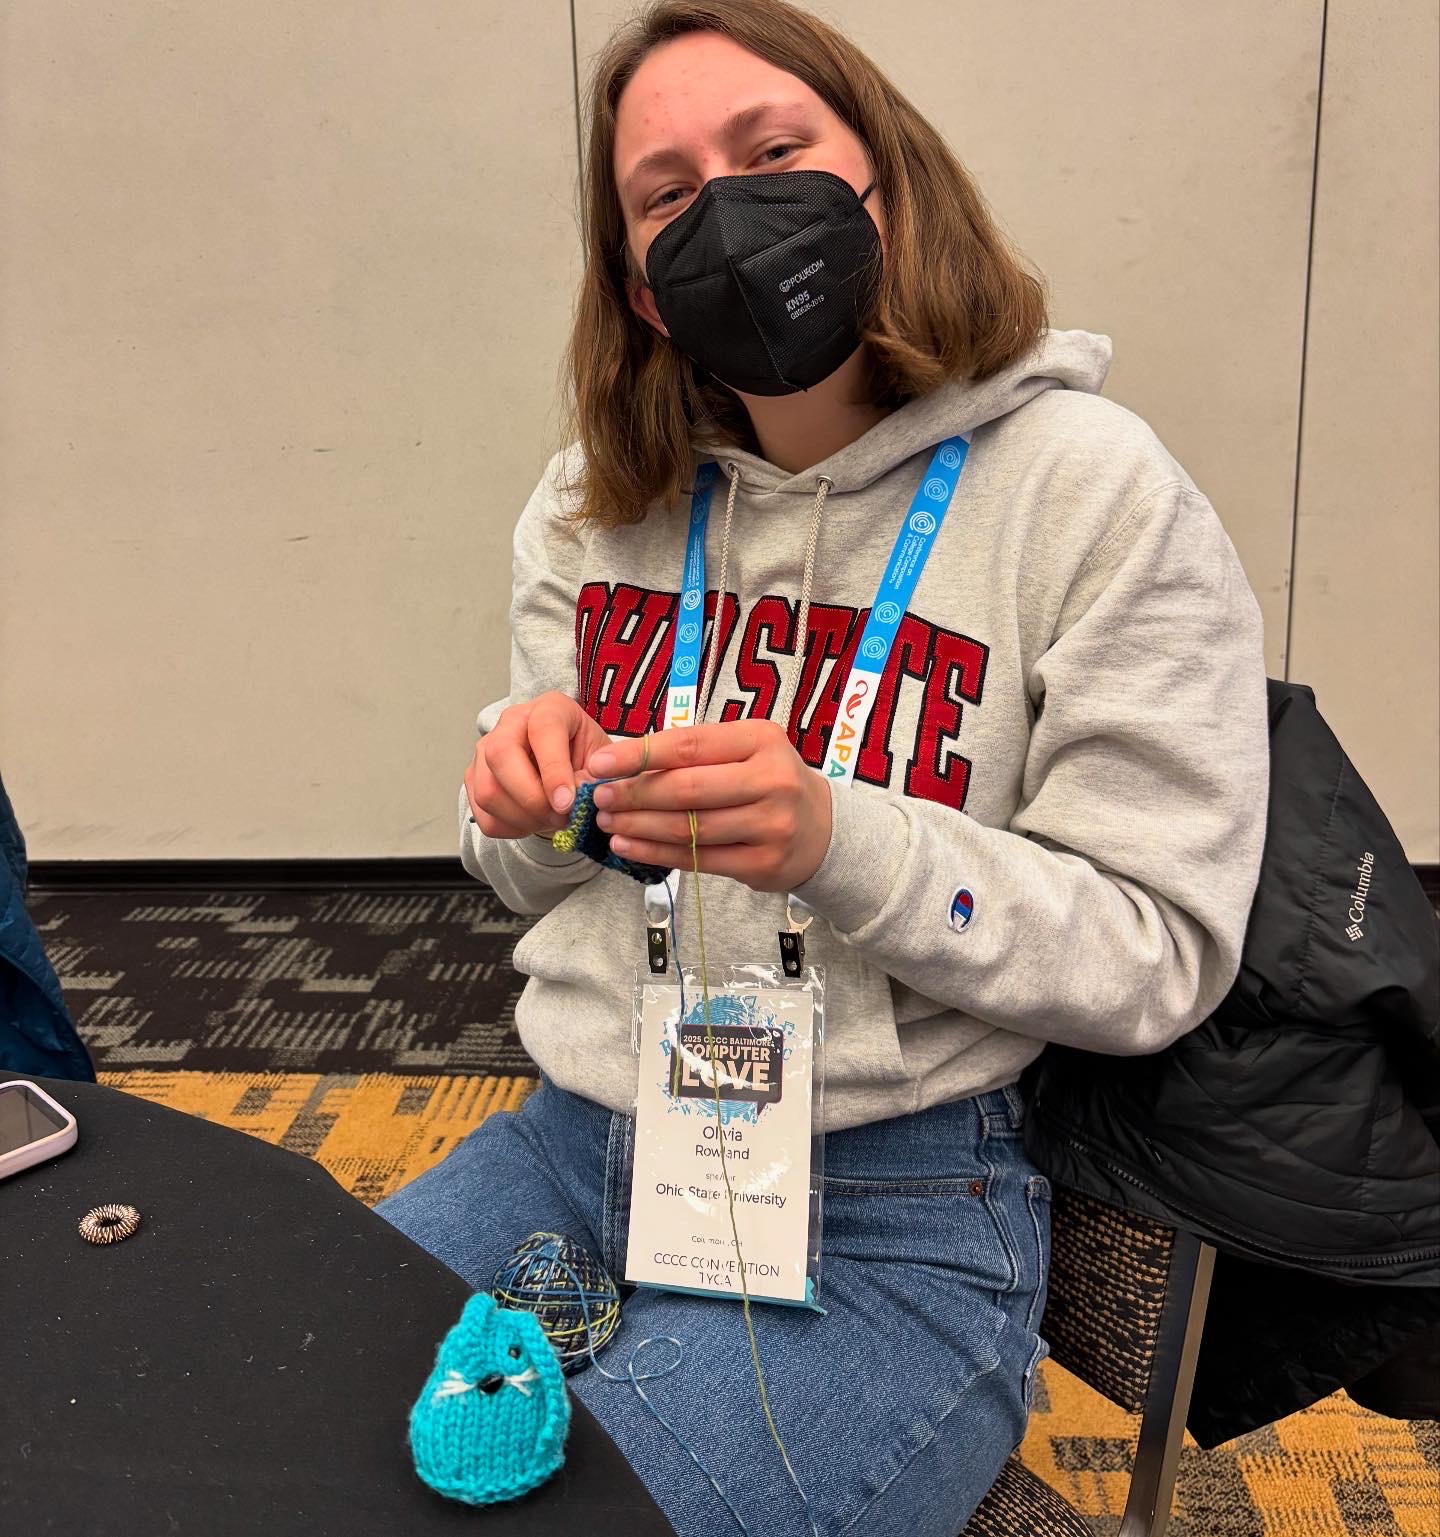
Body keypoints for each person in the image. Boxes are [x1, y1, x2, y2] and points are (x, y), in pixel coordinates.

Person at [375, 3, 1269, 1532]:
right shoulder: (598, 503)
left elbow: (1160, 947)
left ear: (885, 178)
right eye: (664, 195)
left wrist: (837, 838)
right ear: (643, 288)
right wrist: (521, 801)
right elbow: (522, 868)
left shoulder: (1092, 496)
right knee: (233, 1391)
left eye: (771, 151)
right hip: (574, 1146)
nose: (722, 208)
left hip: (885, 1214)